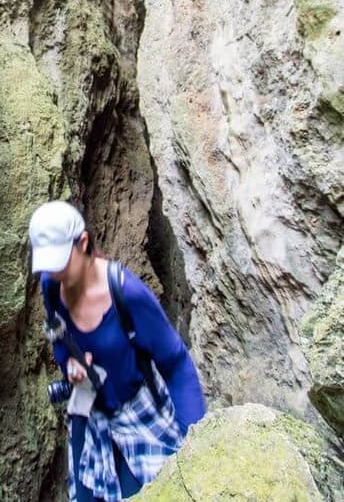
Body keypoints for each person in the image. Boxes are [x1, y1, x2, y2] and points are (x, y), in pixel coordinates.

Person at [28, 200, 206, 501]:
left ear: (83, 243)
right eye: (49, 266)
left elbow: (176, 364)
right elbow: (59, 336)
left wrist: (199, 447)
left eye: (60, 263)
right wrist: (69, 363)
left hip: (138, 414)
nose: (55, 273)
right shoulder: (50, 284)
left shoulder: (127, 294)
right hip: (89, 408)